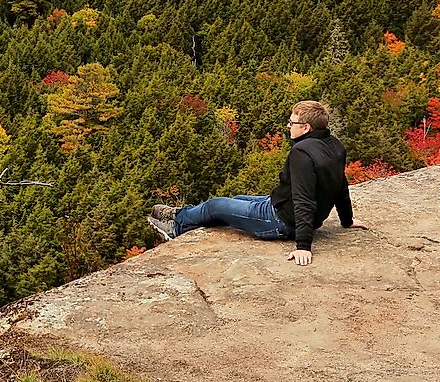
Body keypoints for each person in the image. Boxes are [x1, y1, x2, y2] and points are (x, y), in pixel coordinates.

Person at [147, 100, 366, 266]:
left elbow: (303, 199)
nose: (288, 125)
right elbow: (341, 184)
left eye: (292, 122)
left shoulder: (302, 152)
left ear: (306, 127)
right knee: (238, 200)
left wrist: (303, 247)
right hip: (282, 207)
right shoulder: (334, 145)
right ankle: (181, 216)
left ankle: (176, 225)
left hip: (281, 221)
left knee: (216, 205)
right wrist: (346, 220)